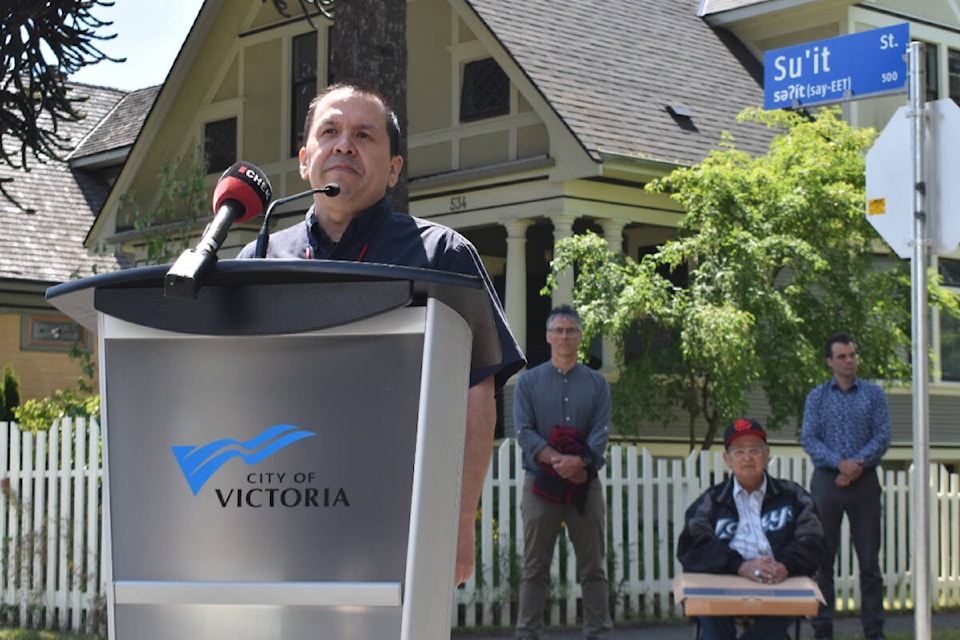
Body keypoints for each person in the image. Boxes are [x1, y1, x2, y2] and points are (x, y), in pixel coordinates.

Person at [237, 82, 525, 584]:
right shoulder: (259, 260)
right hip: (276, 511)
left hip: (397, 522)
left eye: (364, 135)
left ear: (393, 169)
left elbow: (476, 394)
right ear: (305, 160)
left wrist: (458, 523)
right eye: (330, 132)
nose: (344, 144)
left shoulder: (442, 258)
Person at [513, 305, 613, 640]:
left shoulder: (598, 385)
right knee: (534, 568)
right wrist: (558, 460)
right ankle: (527, 634)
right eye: (558, 330)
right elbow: (524, 431)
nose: (564, 336)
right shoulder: (527, 383)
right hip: (540, 486)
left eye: (571, 330)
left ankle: (598, 633)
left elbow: (601, 431)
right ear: (548, 336)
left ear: (580, 336)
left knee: (594, 568)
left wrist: (580, 462)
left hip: (586, 486)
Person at [677, 418, 825, 640]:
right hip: (725, 579)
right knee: (712, 617)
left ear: (766, 455)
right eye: (739, 451)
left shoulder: (794, 497)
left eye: (754, 449)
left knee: (777, 618)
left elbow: (813, 539)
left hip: (778, 581)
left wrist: (785, 565)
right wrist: (739, 566)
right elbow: (693, 545)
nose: (747, 457)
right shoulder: (711, 501)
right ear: (727, 459)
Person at [801, 332, 890, 640]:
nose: (849, 360)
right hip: (827, 481)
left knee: (869, 561)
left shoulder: (874, 395)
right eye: (842, 356)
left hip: (864, 481)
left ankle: (874, 630)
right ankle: (823, 630)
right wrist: (839, 464)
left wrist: (854, 466)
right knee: (824, 560)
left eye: (852, 355)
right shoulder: (817, 396)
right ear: (830, 362)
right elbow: (809, 438)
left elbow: (882, 436)